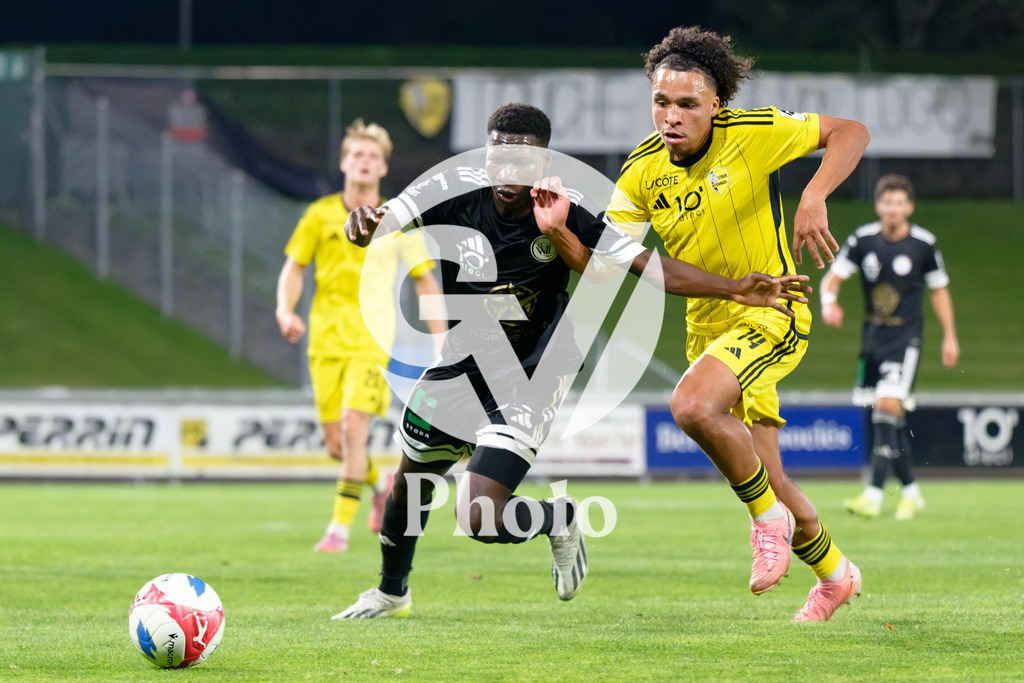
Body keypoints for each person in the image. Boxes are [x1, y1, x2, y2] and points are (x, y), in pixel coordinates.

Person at [333, 102, 814, 620]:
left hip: (532, 370)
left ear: (542, 163)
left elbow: (645, 266)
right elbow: (386, 217)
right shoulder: (454, 191)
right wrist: (363, 224)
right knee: (412, 475)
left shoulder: (566, 208)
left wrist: (734, 288)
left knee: (478, 516)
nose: (507, 173)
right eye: (498, 158)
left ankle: (556, 518)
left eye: (521, 163)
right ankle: (391, 591)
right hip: (462, 357)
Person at [607, 26, 871, 622]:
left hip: (774, 308)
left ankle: (766, 522)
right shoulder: (642, 171)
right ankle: (835, 576)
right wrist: (559, 230)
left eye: (686, 104)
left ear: (716, 105)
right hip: (709, 328)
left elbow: (850, 132)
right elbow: (620, 260)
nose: (670, 116)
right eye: (661, 102)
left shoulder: (752, 134)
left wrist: (814, 194)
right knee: (771, 474)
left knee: (694, 407)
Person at [276, 119, 444, 553]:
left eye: (373, 156)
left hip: (373, 341)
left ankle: (338, 530)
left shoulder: (399, 221)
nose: (364, 163)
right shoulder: (318, 216)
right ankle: (379, 481)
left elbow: (426, 281)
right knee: (337, 445)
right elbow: (295, 266)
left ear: (384, 167)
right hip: (324, 342)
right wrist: (285, 309)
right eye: (357, 155)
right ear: (343, 163)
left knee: (354, 429)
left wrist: (441, 339)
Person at [821, 174, 959, 520]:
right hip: (872, 341)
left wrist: (950, 335)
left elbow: (939, 290)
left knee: (886, 405)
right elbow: (833, 279)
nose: (893, 209)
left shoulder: (924, 244)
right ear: (879, 205)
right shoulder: (864, 240)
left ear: (909, 207)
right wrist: (828, 303)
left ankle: (874, 492)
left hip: (906, 339)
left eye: (900, 203)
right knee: (888, 418)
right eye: (888, 202)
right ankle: (911, 492)